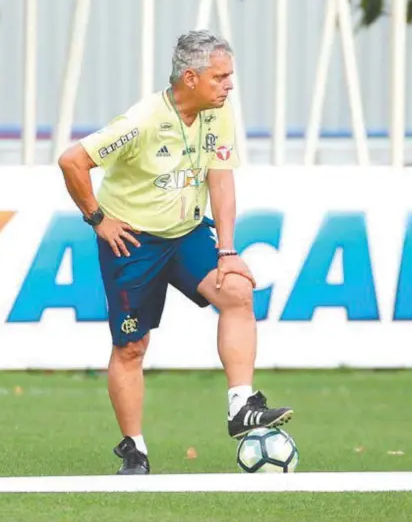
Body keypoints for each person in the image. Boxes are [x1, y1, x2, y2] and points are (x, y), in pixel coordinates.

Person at [58, 30, 293, 475]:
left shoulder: (216, 112)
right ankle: (134, 448)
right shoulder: (142, 120)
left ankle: (241, 406)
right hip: (134, 239)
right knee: (131, 346)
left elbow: (220, 180)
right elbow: (73, 161)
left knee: (238, 290)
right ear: (190, 77)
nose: (229, 85)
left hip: (186, 233)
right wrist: (98, 219)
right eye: (220, 76)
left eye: (230, 76)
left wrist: (227, 250)